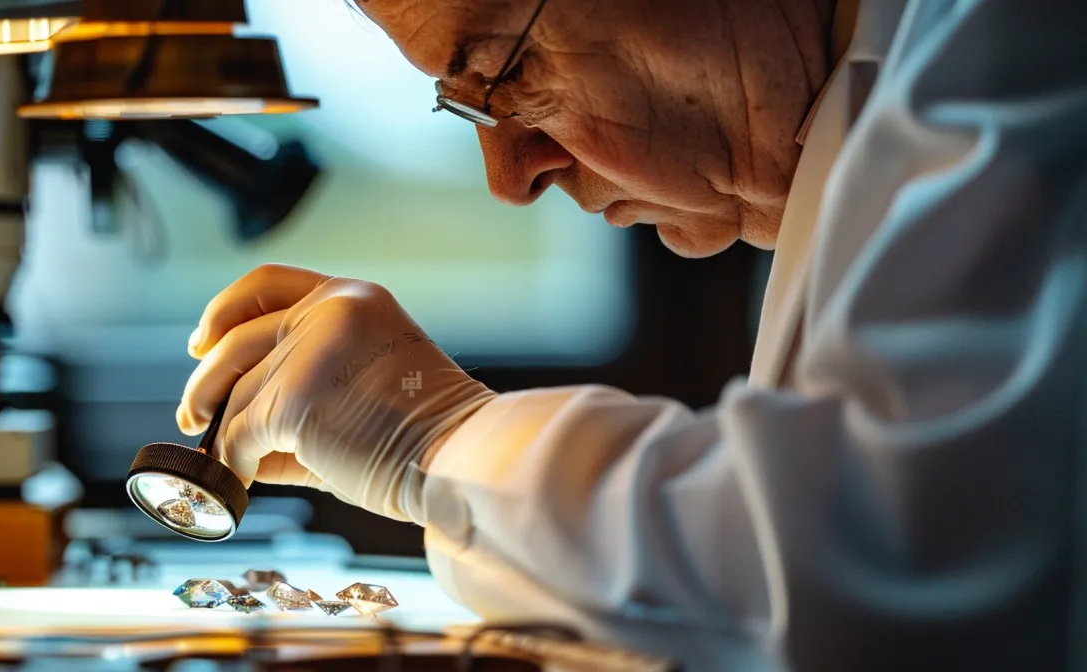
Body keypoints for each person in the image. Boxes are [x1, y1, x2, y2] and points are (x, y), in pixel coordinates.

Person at [175, 0, 1087, 668]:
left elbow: (883, 583)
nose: (511, 175)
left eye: (506, 70)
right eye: (468, 105)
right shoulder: (851, 120)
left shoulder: (1011, 42)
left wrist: (433, 438)